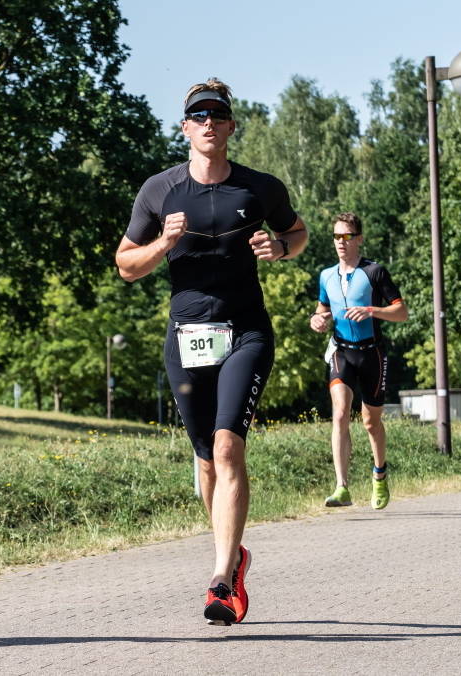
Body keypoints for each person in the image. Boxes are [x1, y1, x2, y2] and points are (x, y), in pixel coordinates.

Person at [115, 79, 308, 626]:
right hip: (187, 336)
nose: (207, 123)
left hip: (246, 330)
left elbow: (298, 233)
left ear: (229, 126)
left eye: (216, 116)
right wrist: (164, 244)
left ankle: (222, 578)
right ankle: (234, 552)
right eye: (197, 116)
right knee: (205, 460)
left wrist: (281, 248)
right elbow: (126, 266)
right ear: (185, 127)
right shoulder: (160, 191)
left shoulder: (259, 187)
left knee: (228, 449)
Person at [309, 212, 407, 510]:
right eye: (336, 236)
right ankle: (342, 487)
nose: (341, 242)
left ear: (359, 239)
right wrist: (317, 319)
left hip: (372, 353)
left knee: (370, 422)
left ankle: (379, 475)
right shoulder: (326, 275)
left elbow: (401, 313)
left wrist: (371, 310)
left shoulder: (375, 272)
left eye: (347, 236)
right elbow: (321, 308)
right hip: (341, 350)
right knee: (339, 414)